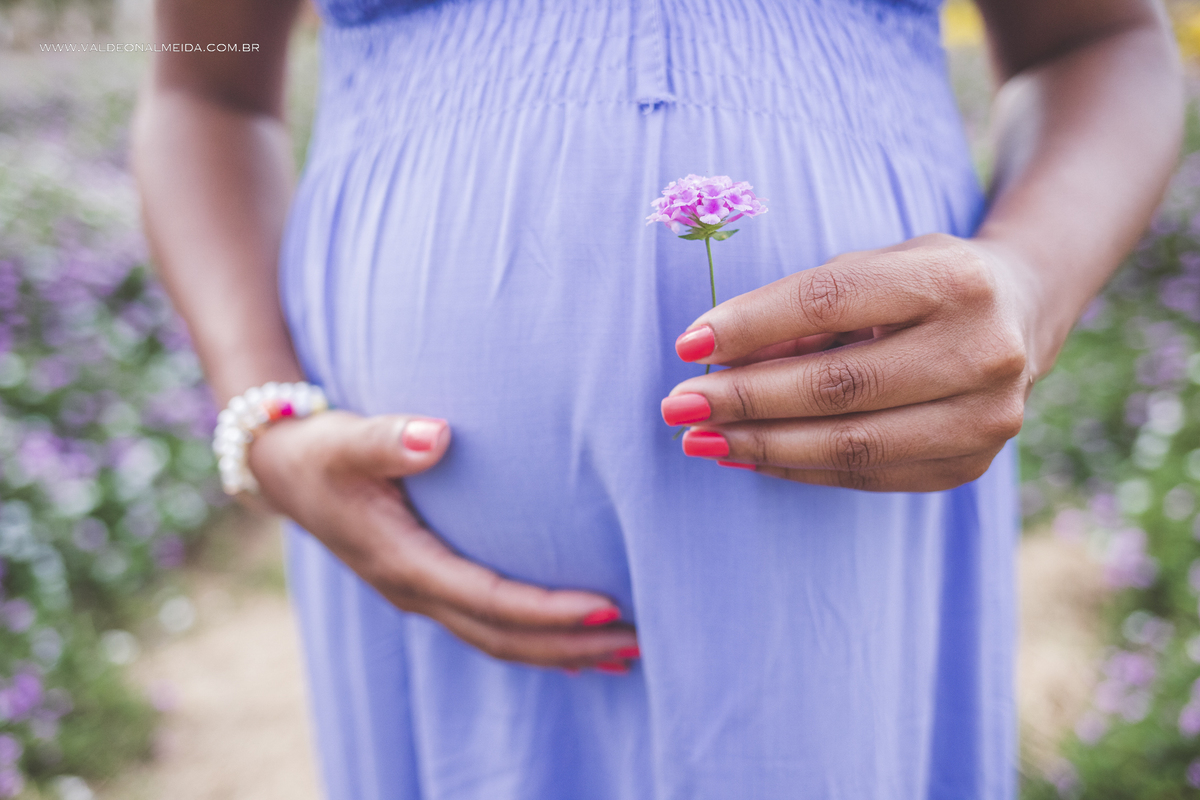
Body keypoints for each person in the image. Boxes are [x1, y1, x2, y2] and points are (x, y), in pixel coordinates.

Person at [131, 0, 1181, 797]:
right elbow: (199, 83)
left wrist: (1031, 282)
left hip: (853, 503)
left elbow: (1097, 39)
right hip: (426, 570)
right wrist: (261, 417)